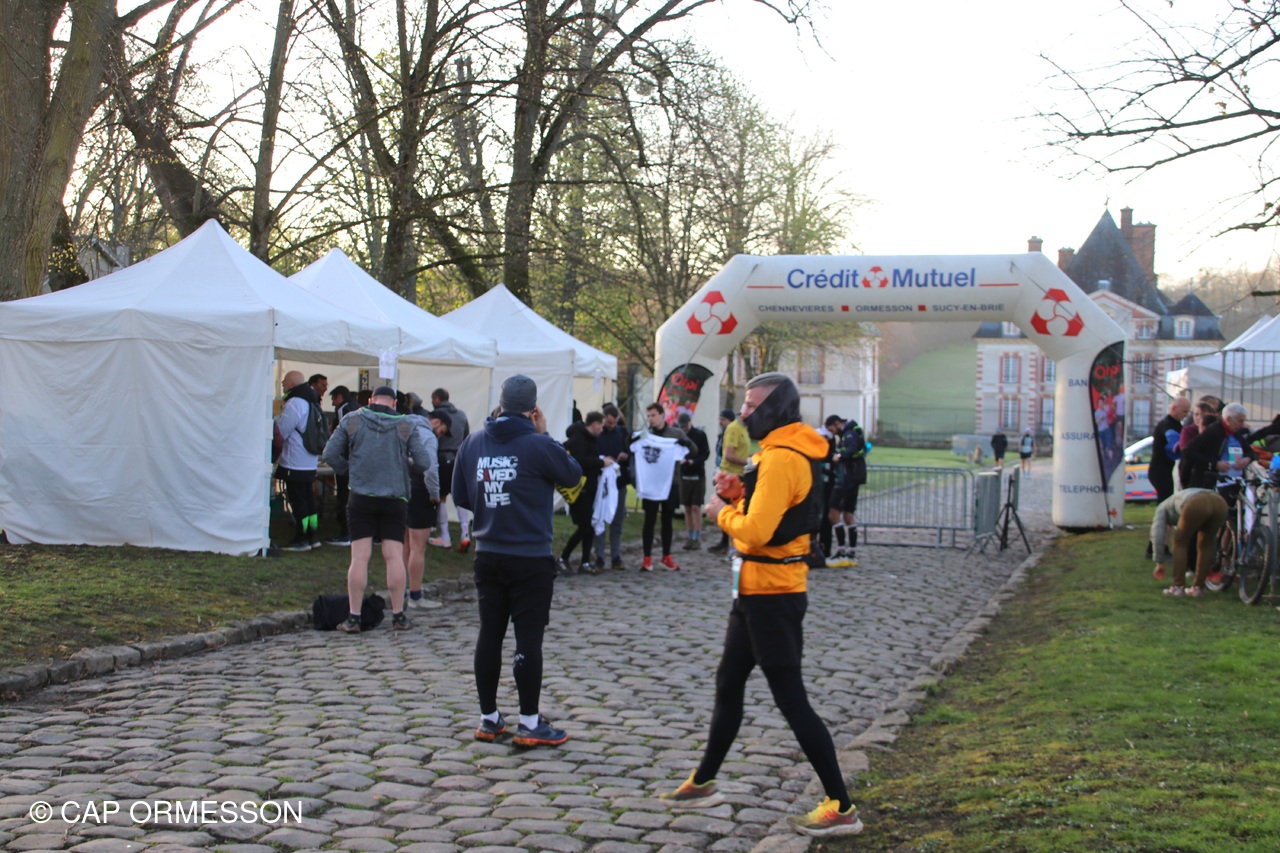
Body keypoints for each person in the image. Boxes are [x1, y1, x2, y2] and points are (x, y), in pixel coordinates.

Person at [658, 373, 862, 838]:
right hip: (752, 591)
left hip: (774, 594)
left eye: (752, 406)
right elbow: (777, 512)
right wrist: (740, 495)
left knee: (791, 699)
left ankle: (842, 806)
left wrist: (722, 511)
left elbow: (756, 531)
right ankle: (704, 781)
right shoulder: (776, 452)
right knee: (728, 682)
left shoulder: (784, 457)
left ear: (775, 409)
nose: (745, 413)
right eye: (744, 405)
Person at [452, 374, 583, 747]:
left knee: (489, 634)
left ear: (501, 404)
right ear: (533, 409)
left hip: (488, 552)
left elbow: (461, 495)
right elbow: (573, 474)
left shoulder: (473, 442)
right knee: (528, 638)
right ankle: (529, 721)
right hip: (530, 555)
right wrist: (545, 434)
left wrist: (493, 504)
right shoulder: (538, 445)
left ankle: (489, 718)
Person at [322, 385, 434, 633]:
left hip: (361, 496)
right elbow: (424, 462)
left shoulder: (353, 419)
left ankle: (354, 617)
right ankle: (398, 616)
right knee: (393, 555)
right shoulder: (405, 424)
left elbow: (329, 453)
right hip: (394, 498)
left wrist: (348, 470)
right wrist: (405, 466)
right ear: (394, 403)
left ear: (371, 400)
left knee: (359, 557)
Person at [631, 403, 693, 571]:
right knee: (649, 520)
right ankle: (647, 558)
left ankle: (666, 556)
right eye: (648, 416)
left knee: (667, 520)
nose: (650, 419)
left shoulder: (675, 434)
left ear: (662, 415)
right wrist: (631, 439)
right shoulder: (645, 435)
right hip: (651, 483)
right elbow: (629, 446)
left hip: (670, 483)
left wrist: (685, 444)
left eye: (653, 415)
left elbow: (694, 450)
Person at [559, 411, 614, 575]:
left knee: (589, 527)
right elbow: (580, 461)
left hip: (589, 488)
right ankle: (563, 558)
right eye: (601, 426)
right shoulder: (579, 438)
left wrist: (602, 462)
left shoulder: (590, 439)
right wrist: (601, 463)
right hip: (579, 490)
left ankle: (584, 562)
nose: (602, 430)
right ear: (595, 425)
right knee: (584, 527)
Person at [1151, 487, 1229, 597]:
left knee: (1180, 542)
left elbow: (1158, 535)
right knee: (1206, 542)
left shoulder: (1161, 508)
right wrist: (1211, 563)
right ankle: (1198, 588)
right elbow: (1212, 541)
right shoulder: (1174, 502)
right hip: (1220, 502)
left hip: (1196, 502)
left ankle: (1177, 587)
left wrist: (1159, 562)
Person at [402, 398, 442, 610]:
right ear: (435, 421)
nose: (440, 435)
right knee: (418, 547)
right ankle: (415, 595)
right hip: (419, 491)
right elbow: (430, 469)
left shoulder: (401, 428)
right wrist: (435, 494)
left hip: (401, 489)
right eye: (442, 430)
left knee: (405, 544)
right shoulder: (427, 435)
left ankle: (402, 591)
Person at [276, 370, 322, 551]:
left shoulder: (295, 402)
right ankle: (313, 534)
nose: (283, 385)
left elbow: (283, 430)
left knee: (298, 501)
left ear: (291, 385)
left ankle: (301, 537)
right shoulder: (312, 400)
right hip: (310, 460)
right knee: (309, 499)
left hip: (294, 460)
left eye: (284, 382)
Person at [428, 387, 473, 552]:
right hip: (458, 460)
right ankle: (465, 534)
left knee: (441, 499)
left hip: (441, 459)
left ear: (437, 399)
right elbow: (466, 437)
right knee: (460, 498)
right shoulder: (461, 415)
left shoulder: (436, 417)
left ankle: (445, 537)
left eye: (433, 398)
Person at [593, 404, 631, 571]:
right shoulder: (598, 434)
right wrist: (602, 459)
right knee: (600, 517)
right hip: (601, 481)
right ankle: (599, 556)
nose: (611, 425)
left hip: (618, 481)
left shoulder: (622, 432)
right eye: (609, 422)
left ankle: (616, 555)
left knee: (617, 520)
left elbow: (630, 451)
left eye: (614, 422)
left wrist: (625, 455)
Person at [1180, 403, 1252, 491]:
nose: (1242, 424)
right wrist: (1214, 464)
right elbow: (1188, 452)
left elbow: (1251, 452)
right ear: (1228, 419)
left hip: (1234, 482)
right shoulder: (1213, 431)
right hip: (1213, 484)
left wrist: (1247, 459)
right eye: (1240, 421)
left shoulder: (1236, 434)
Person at [709, 408, 752, 556]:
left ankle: (730, 544)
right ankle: (728, 545)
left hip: (742, 474)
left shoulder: (744, 429)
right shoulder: (733, 428)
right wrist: (749, 463)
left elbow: (742, 451)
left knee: (739, 511)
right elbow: (729, 455)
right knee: (731, 510)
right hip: (731, 475)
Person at [828, 415, 867, 562]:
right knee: (848, 514)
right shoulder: (851, 432)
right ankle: (851, 550)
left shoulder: (849, 434)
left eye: (832, 430)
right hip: (852, 479)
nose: (832, 433)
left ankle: (841, 549)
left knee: (833, 514)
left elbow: (851, 449)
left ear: (837, 423)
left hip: (846, 479)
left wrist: (839, 456)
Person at [324, 386, 358, 546]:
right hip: (358, 460)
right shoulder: (358, 408)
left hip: (346, 459)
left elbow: (342, 436)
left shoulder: (344, 410)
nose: (332, 403)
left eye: (333, 399)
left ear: (339, 397)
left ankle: (345, 533)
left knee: (344, 497)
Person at [678, 412, 710, 550]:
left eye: (685, 426)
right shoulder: (679, 436)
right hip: (684, 475)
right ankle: (690, 536)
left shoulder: (700, 435)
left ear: (690, 423)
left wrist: (693, 461)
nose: (684, 429)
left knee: (696, 507)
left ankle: (697, 536)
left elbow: (705, 454)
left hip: (697, 475)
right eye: (681, 427)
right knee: (687, 507)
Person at [1149, 397, 1191, 504]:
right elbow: (1174, 444)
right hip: (1159, 469)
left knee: (1167, 499)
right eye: (1184, 411)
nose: (1186, 415)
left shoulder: (1177, 425)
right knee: (1165, 500)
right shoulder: (1166, 425)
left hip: (1167, 468)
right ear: (1174, 408)